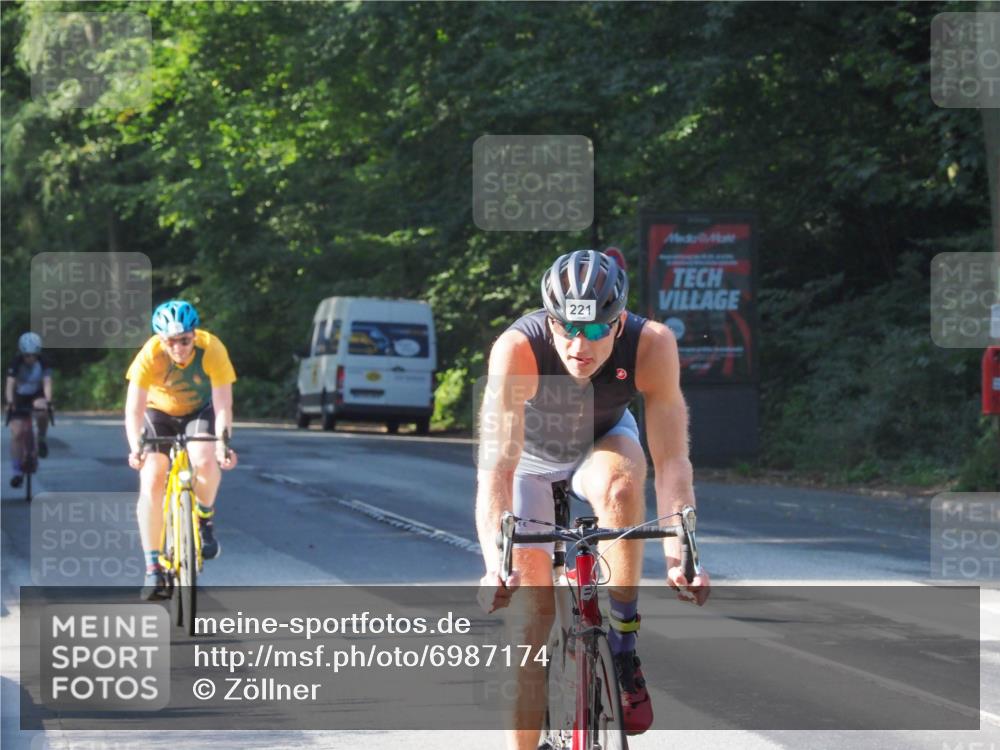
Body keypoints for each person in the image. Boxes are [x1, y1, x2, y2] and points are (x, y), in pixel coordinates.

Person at [475, 249, 711, 749]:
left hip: (601, 441)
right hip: (530, 461)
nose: (580, 345)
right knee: (529, 627)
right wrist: (496, 564)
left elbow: (671, 461)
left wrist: (681, 556)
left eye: (598, 331)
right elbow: (497, 467)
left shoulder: (652, 344)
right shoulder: (517, 349)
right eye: (566, 329)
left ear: (619, 323)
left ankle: (623, 642)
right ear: (549, 319)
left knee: (625, 485)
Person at [124, 300, 238, 601]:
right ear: (161, 340)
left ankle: (203, 518)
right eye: (171, 342)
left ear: (194, 334)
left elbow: (224, 405)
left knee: (205, 459)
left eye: (184, 340)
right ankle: (152, 567)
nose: (179, 348)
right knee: (152, 479)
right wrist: (135, 446)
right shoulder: (149, 355)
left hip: (198, 411)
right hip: (157, 412)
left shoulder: (212, 348)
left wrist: (224, 443)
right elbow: (133, 410)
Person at [5, 332, 53, 487]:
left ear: (38, 353)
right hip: (20, 397)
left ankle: (41, 437)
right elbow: (10, 384)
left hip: (36, 395)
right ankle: (16, 471)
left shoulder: (43, 362)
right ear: (21, 353)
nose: (29, 358)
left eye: (33, 355)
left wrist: (48, 401)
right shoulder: (16, 362)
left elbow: (47, 383)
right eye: (26, 355)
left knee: (42, 409)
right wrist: (10, 402)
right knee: (17, 433)